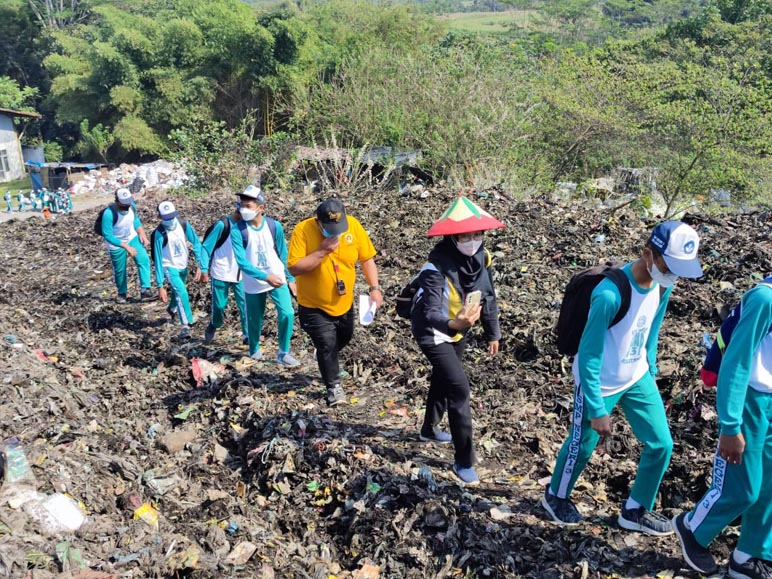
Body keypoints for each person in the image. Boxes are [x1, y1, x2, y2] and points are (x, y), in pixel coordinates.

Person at [543, 221, 704, 535]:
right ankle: (556, 495)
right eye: (668, 266)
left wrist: (651, 372)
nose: (674, 276)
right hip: (599, 381)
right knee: (583, 444)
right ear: (648, 254)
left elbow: (651, 331)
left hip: (636, 375)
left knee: (661, 444)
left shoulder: (663, 285)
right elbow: (588, 355)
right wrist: (598, 409)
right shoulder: (609, 295)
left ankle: (636, 509)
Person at [672, 281, 772, 578]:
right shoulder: (765, 299)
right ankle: (693, 528)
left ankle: (750, 555)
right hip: (751, 400)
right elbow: (736, 363)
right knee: (744, 489)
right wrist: (730, 425)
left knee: (769, 486)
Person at [410, 195, 505, 485]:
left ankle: (429, 429)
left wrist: (493, 332)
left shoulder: (481, 258)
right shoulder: (435, 268)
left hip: (460, 327)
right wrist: (455, 323)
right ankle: (464, 461)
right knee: (459, 389)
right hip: (433, 330)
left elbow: (487, 294)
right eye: (466, 235)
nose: (473, 240)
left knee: (444, 377)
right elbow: (431, 312)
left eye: (478, 234)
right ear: (453, 237)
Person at [287, 197, 383, 406]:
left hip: (344, 301)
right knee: (327, 343)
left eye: (338, 227)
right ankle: (334, 387)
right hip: (313, 304)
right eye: (330, 228)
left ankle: (325, 358)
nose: (336, 232)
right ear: (318, 222)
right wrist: (322, 251)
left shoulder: (353, 226)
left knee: (345, 337)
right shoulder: (302, 230)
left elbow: (367, 259)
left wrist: (374, 288)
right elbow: (294, 268)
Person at [229, 185, 300, 366]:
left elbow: (283, 254)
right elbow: (242, 263)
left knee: (287, 313)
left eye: (248, 206)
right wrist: (265, 276)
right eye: (241, 205)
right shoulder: (238, 230)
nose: (243, 209)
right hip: (253, 281)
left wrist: (290, 278)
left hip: (277, 277)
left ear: (261, 208)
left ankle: (283, 352)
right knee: (255, 318)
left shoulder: (274, 226)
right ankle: (254, 349)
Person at [200, 203, 249, 346]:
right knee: (220, 305)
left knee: (245, 304)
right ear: (237, 212)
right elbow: (206, 247)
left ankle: (247, 335)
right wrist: (204, 269)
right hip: (221, 270)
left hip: (240, 273)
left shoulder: (245, 227)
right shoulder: (223, 225)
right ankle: (215, 323)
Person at [153, 201, 204, 339]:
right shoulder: (159, 234)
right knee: (182, 292)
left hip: (183, 265)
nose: (169, 220)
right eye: (166, 218)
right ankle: (186, 325)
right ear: (159, 217)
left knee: (178, 291)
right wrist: (160, 285)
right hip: (169, 266)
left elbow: (196, 242)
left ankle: (172, 309)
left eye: (171, 216)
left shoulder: (183, 224)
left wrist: (200, 264)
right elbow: (157, 260)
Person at [100, 188, 157, 304]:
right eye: (124, 202)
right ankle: (122, 293)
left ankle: (145, 290)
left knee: (143, 260)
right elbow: (107, 235)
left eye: (128, 201)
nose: (127, 204)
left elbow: (135, 221)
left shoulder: (132, 207)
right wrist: (126, 246)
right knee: (120, 269)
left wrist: (142, 234)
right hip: (116, 242)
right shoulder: (109, 214)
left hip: (131, 237)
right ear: (117, 201)